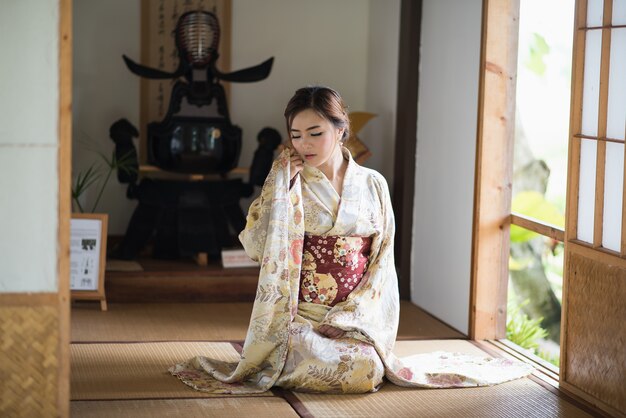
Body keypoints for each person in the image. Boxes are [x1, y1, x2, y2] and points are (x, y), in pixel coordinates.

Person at [169, 86, 532, 394]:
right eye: (295, 134)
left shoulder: (372, 183)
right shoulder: (287, 181)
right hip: (302, 315)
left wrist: (349, 317)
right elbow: (256, 247)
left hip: (355, 315)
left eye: (315, 132)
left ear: (341, 131)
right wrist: (281, 189)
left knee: (366, 369)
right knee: (299, 351)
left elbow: (381, 260)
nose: (304, 143)